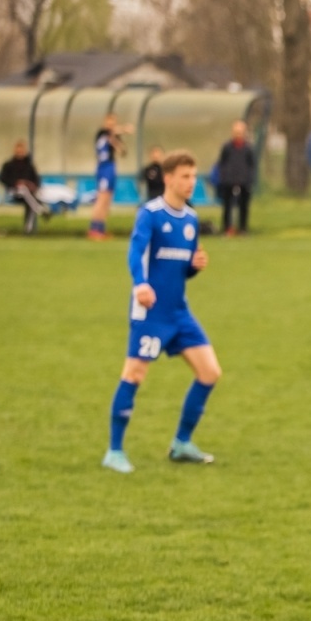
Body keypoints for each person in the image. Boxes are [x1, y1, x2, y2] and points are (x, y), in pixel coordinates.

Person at [103, 150, 221, 473]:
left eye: (194, 176)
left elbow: (181, 269)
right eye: (185, 176)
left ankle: (181, 444)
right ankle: (114, 451)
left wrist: (195, 267)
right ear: (168, 178)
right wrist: (140, 284)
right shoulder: (150, 214)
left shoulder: (192, 219)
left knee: (210, 372)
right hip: (150, 312)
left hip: (178, 312)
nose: (191, 183)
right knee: (134, 374)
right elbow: (135, 252)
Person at [87, 112, 128, 241]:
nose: (111, 124)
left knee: (107, 200)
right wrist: (124, 129)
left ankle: (101, 229)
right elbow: (110, 133)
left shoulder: (113, 137)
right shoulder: (102, 133)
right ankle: (94, 229)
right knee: (101, 198)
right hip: (103, 168)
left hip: (111, 167)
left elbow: (123, 151)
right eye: (109, 121)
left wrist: (116, 141)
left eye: (113, 122)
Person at [0, 140, 48, 234]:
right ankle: (41, 210)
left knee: (31, 201)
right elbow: (3, 179)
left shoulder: (29, 166)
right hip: (13, 192)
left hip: (28, 194)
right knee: (24, 190)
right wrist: (15, 183)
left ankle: (28, 230)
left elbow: (36, 179)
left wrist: (31, 185)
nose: (20, 153)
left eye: (21, 151)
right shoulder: (8, 165)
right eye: (18, 151)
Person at [216, 121, 256, 236]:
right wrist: (224, 176)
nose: (238, 134)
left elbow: (251, 164)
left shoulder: (248, 148)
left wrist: (249, 178)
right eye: (236, 132)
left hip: (244, 181)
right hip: (228, 181)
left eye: (240, 132)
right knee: (227, 206)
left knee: (244, 206)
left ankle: (243, 228)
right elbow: (222, 163)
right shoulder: (227, 147)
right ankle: (227, 228)